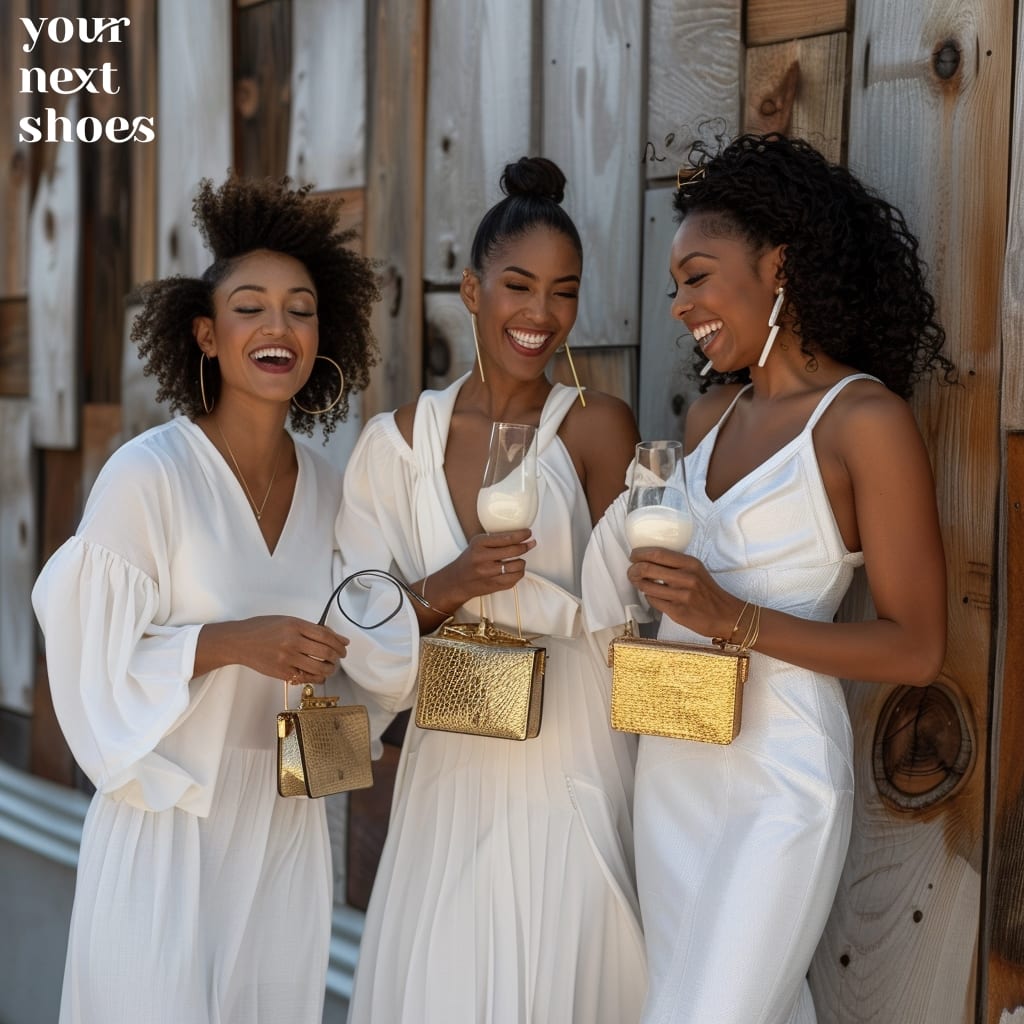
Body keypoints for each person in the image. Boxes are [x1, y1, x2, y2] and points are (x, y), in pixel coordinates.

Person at [582, 132, 953, 1024]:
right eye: (676, 286)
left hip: (778, 778)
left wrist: (728, 616)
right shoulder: (709, 414)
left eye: (698, 276)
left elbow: (915, 646)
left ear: (778, 263)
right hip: (675, 762)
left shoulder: (865, 420)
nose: (681, 306)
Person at [31, 176, 380, 1024]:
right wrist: (227, 641)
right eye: (251, 307)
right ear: (206, 334)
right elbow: (88, 667)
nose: (278, 327)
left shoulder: (335, 491)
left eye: (300, 309)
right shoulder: (147, 476)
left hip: (282, 834)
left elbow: (362, 649)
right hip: (166, 826)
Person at [334, 156, 648, 1023]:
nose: (540, 314)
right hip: (455, 755)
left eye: (564, 292)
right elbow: (361, 623)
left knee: (569, 965)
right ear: (471, 292)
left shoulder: (596, 425)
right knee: (452, 973)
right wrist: (449, 584)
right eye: (518, 285)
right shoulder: (392, 446)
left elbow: (633, 611)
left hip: (574, 747)